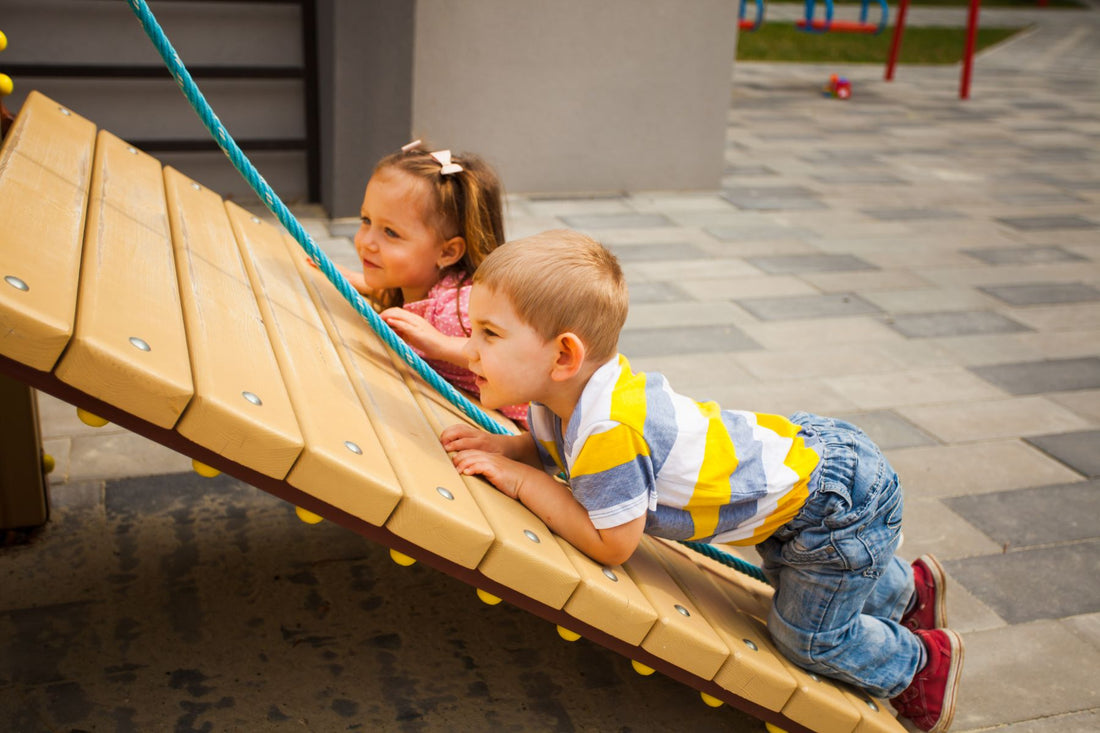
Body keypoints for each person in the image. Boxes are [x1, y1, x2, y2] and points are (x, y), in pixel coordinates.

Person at [439, 229, 964, 733]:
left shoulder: (610, 429)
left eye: (489, 334)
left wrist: (521, 481)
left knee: (806, 638)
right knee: (794, 575)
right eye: (473, 330)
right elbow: (554, 449)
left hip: (835, 505)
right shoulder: (565, 399)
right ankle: (906, 593)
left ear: (564, 356)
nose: (469, 350)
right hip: (813, 471)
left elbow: (613, 542)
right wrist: (512, 448)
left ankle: (922, 666)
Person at [331, 140, 526, 427]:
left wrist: (442, 345)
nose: (366, 242)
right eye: (365, 220)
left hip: (543, 429)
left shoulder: (459, 308)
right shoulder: (420, 279)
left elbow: (514, 359)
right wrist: (366, 283)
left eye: (390, 232)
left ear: (447, 252)